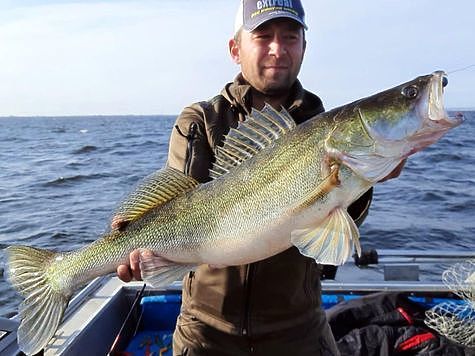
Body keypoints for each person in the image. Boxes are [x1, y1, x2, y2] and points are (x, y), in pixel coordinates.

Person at [116, 1, 403, 355]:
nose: (278, 49)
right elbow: (175, 203)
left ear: (304, 47)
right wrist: (137, 243)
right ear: (236, 49)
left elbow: (337, 230)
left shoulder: (324, 127)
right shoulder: (200, 120)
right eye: (263, 36)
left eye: (290, 37)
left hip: (299, 330)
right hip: (206, 332)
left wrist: (365, 178)